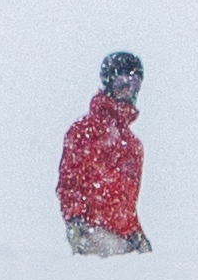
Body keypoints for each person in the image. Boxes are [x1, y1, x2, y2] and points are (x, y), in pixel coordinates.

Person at [60, 50, 151, 253]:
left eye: (134, 83)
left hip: (124, 240)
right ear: (109, 84)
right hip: (93, 233)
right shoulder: (83, 132)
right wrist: (75, 222)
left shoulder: (133, 146)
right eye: (121, 83)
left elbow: (126, 203)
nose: (128, 91)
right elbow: (69, 184)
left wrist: (136, 234)